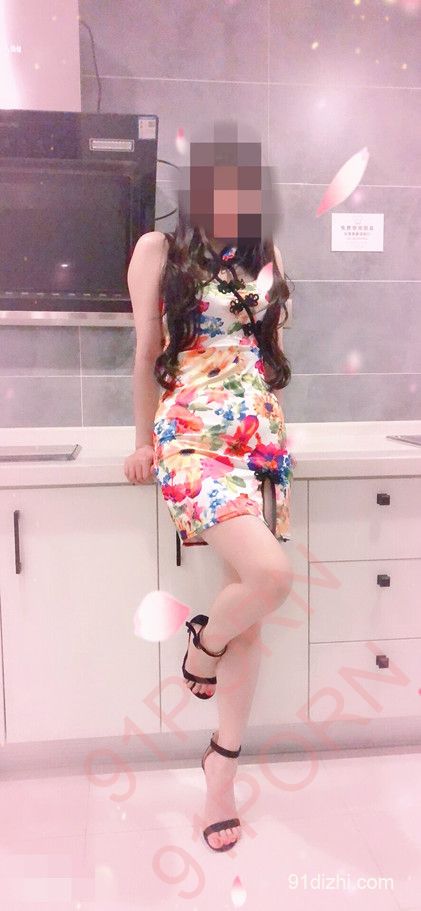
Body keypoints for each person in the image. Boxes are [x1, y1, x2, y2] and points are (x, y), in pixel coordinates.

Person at [124, 120, 295, 852]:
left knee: (251, 612)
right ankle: (203, 644)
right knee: (270, 577)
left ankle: (220, 769)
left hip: (259, 438)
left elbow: (267, 348)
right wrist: (142, 441)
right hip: (193, 436)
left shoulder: (265, 254)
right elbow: (146, 353)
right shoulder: (158, 251)